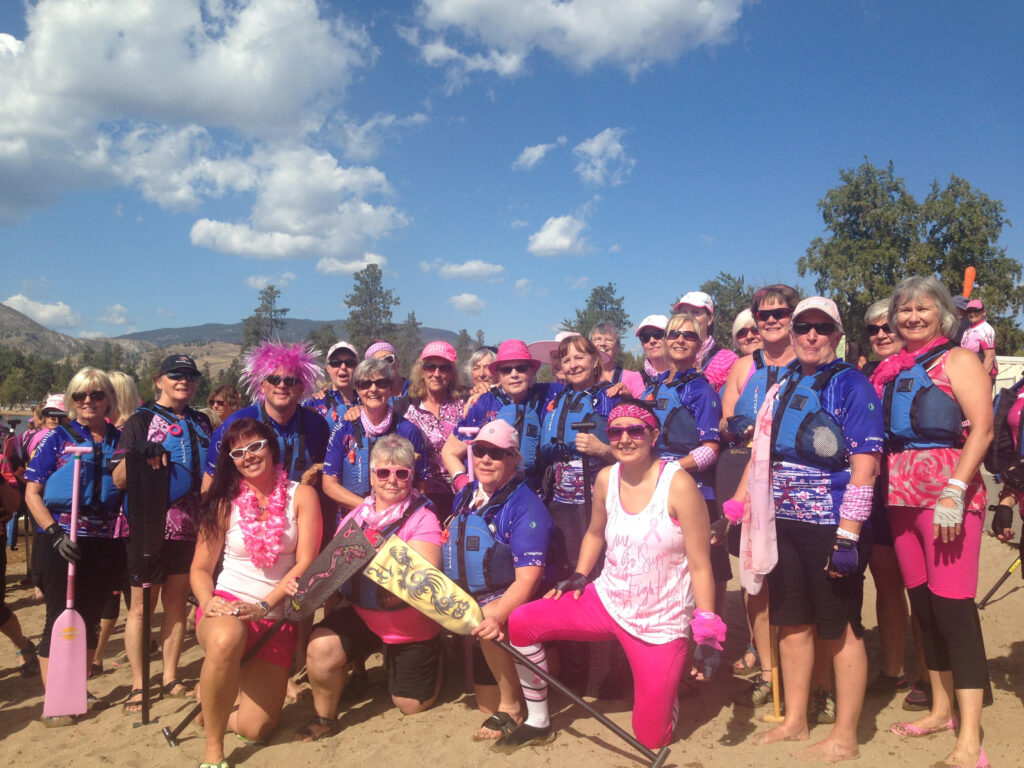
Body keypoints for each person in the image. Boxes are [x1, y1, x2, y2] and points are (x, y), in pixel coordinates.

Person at [501, 401, 720, 751]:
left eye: (635, 430)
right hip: (608, 599)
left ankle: (666, 698)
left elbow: (700, 565)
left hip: (660, 623)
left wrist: (707, 626)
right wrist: (580, 575)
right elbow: (594, 532)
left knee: (651, 739)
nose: (625, 439)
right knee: (522, 622)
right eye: (616, 432)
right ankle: (538, 719)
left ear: (653, 435)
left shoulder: (679, 485)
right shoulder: (606, 478)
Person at [751, 297, 883, 762]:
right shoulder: (784, 383)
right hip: (784, 524)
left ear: (837, 335)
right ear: (791, 332)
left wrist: (848, 535)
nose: (810, 335)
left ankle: (845, 736)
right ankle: (796, 720)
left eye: (821, 328)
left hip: (832, 526)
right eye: (802, 326)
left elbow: (866, 466)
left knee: (841, 627)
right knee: (792, 622)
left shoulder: (852, 385)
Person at [877, 277, 993, 768]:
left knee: (954, 613)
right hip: (901, 497)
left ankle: (970, 742)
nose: (912, 318)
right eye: (904, 310)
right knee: (923, 608)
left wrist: (956, 487)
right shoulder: (891, 368)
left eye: (923, 309)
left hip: (947, 498)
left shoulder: (959, 360)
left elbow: (983, 429)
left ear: (942, 313)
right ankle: (942, 710)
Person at [192, 418, 321, 766]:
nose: (248, 456)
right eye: (238, 452)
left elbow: (305, 562)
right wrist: (207, 601)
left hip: (275, 614)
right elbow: (201, 569)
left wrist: (266, 605)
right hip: (228, 605)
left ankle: (212, 698)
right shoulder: (224, 502)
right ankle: (214, 749)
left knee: (256, 729)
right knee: (225, 639)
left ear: (271, 447)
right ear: (231, 460)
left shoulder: (302, 495)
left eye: (255, 446)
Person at [301, 435, 443, 741]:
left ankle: (434, 659)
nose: (392, 480)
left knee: (410, 706)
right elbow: (333, 570)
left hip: (410, 626)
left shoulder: (424, 518)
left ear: (411, 477)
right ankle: (325, 717)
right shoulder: (355, 518)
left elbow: (422, 579)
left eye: (401, 473)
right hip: (364, 615)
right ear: (372, 475)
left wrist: (374, 553)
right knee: (320, 645)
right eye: (383, 472)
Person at [23, 367, 124, 724]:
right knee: (57, 618)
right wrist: (52, 532)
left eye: (95, 395)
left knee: (91, 618)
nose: (87, 401)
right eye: (80, 395)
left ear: (108, 399)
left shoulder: (121, 439)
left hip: (103, 540)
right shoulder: (57, 438)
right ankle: (56, 699)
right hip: (61, 539)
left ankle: (76, 686)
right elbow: (32, 491)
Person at [443, 420, 554, 741]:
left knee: (492, 614)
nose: (486, 459)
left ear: (514, 459)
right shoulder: (465, 494)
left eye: (497, 453)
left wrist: (497, 614)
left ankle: (512, 707)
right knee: (481, 703)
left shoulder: (526, 507)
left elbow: (528, 579)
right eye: (480, 451)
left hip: (510, 601)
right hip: (472, 602)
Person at [113, 354, 213, 711]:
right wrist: (138, 455)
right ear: (159, 381)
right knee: (141, 608)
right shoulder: (139, 421)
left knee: (175, 603)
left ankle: (170, 676)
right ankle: (140, 684)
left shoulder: (202, 422)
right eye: (175, 375)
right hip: (147, 527)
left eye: (190, 375)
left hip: (191, 529)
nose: (183, 380)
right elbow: (118, 479)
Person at [642, 313, 727, 617]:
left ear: (701, 344)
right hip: (653, 492)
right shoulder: (651, 389)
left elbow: (711, 449)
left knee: (699, 573)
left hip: (693, 493)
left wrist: (670, 470)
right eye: (674, 334)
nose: (680, 340)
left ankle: (705, 652)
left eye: (689, 335)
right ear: (664, 341)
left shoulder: (701, 391)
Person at [861, 300, 915, 697]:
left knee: (926, 587)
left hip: (916, 489)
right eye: (873, 329)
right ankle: (894, 667)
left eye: (887, 327)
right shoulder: (864, 375)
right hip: (877, 494)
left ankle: (936, 673)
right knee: (886, 583)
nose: (881, 334)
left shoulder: (924, 367)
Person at [539, 334, 619, 576]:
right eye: (566, 359)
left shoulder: (611, 397)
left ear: (595, 360)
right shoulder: (555, 396)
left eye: (579, 357)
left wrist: (603, 450)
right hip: (560, 499)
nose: (572, 365)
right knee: (566, 565)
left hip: (596, 500)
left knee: (597, 566)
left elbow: (636, 453)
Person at [204, 341, 330, 491]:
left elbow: (327, 478)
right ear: (262, 386)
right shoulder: (237, 423)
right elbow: (209, 484)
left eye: (290, 381)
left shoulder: (316, 425)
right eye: (274, 380)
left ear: (301, 387)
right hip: (247, 510)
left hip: (302, 508)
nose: (282, 385)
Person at [322, 358, 427, 516]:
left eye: (381, 383)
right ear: (357, 389)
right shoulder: (343, 430)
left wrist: (398, 514)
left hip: (399, 519)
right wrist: (369, 508)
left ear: (391, 388)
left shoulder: (409, 431)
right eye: (365, 384)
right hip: (353, 519)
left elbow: (422, 483)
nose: (373, 389)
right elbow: (329, 484)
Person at [441, 339, 549, 491]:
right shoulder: (483, 403)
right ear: (498, 374)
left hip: (533, 494)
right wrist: (462, 482)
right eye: (506, 370)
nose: (514, 374)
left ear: (532, 371)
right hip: (487, 495)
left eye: (521, 368)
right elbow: (449, 452)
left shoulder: (546, 396)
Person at [398, 342, 465, 522]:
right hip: (422, 496)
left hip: (462, 493)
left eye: (444, 368)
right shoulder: (407, 409)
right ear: (422, 371)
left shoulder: (464, 406)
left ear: (451, 374)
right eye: (430, 367)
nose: (436, 373)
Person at [673, 291, 738, 390]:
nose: (688, 318)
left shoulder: (727, 360)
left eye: (695, 312)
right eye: (684, 313)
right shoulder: (671, 357)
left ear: (710, 319)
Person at [304, 341, 360, 428]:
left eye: (349, 362)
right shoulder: (313, 404)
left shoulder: (367, 403)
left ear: (357, 368)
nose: (343, 367)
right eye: (336, 362)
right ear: (327, 368)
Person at [589, 321, 645, 397]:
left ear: (617, 347)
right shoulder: (585, 378)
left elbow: (644, 407)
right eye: (597, 339)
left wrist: (628, 397)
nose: (602, 343)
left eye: (608, 340)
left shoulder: (633, 377)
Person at [960, 299, 997, 380]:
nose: (972, 314)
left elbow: (989, 357)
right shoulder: (967, 330)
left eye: (976, 310)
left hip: (982, 376)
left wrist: (981, 379)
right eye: (969, 311)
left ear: (983, 312)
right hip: (969, 374)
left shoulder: (985, 329)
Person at [635, 315, 670, 384]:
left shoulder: (688, 374)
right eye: (645, 337)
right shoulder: (635, 381)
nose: (652, 341)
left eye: (658, 335)